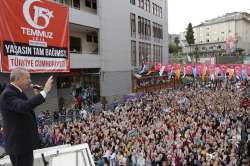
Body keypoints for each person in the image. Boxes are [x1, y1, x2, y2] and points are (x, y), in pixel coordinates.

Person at [0, 68, 53, 166]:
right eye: (28, 78)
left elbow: (24, 108)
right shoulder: (8, 94)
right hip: (19, 146)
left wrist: (37, 96)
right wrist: (44, 91)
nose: (30, 81)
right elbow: (24, 107)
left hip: (23, 145)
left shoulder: (17, 91)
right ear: (18, 79)